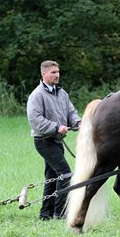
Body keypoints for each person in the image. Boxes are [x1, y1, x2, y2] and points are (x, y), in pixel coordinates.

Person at [27, 60, 81, 220]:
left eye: (58, 72)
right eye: (53, 72)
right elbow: (35, 120)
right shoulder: (37, 95)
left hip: (56, 142)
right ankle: (60, 213)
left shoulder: (62, 94)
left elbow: (71, 112)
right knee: (65, 174)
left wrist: (79, 123)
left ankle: (45, 214)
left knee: (52, 178)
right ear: (44, 74)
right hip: (44, 141)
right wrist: (56, 127)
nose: (57, 75)